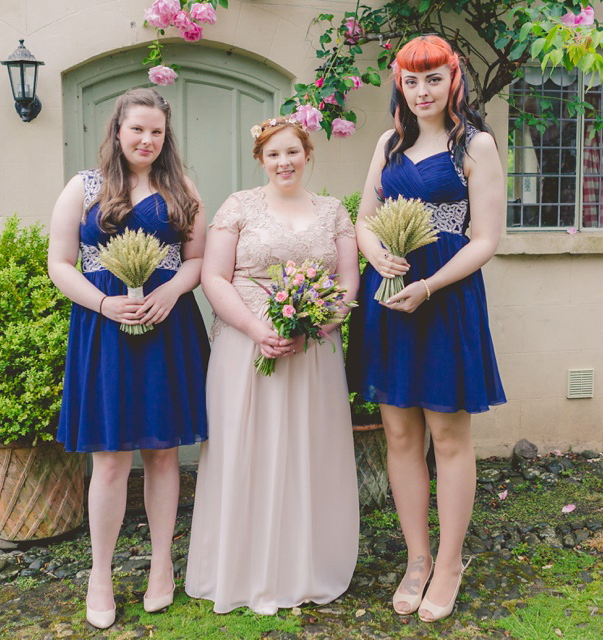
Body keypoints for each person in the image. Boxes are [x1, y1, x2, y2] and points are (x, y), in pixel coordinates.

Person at [346, 35, 507, 622]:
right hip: (390, 295)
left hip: (443, 296)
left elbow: (486, 239)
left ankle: (450, 562)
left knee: (448, 434)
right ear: (400, 84)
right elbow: (363, 218)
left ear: (452, 80)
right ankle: (417, 558)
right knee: (399, 434)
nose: (421, 91)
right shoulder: (389, 143)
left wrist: (430, 285)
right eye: (411, 81)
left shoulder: (475, 144)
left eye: (432, 79)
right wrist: (376, 255)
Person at [47, 88, 210, 628]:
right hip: (104, 329)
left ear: (166, 137)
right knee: (111, 457)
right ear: (118, 130)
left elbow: (197, 259)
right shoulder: (85, 187)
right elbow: (60, 263)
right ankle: (101, 574)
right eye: (137, 129)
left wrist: (171, 293)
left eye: (157, 131)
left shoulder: (180, 186)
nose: (147, 139)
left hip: (167, 326)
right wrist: (102, 302)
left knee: (163, 453)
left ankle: (162, 565)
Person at [186, 116, 360, 615]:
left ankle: (304, 566)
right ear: (260, 160)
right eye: (274, 154)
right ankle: (240, 571)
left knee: (309, 452)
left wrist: (317, 327)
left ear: (308, 155)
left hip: (313, 352)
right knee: (245, 451)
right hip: (245, 347)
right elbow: (214, 277)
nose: (284, 162)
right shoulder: (238, 207)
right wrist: (256, 328)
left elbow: (348, 283)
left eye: (293, 152)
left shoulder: (332, 212)